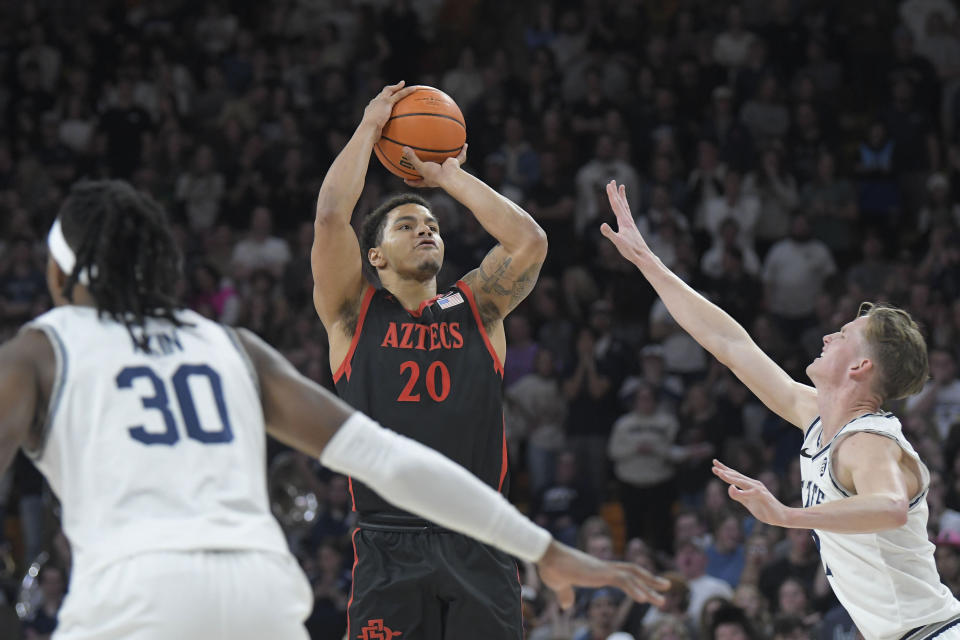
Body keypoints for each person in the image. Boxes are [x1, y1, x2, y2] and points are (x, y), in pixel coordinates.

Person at [0, 179, 671, 639]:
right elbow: (387, 456)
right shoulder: (231, 344)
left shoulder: (38, 349)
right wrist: (542, 547)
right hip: (263, 590)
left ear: (58, 277)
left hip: (131, 592)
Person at [600, 179, 960, 640]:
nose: (829, 336)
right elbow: (730, 343)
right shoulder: (820, 417)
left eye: (844, 334)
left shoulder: (866, 442)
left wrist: (786, 516)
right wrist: (647, 261)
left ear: (861, 365)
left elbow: (891, 507)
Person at [310, 81, 555, 639]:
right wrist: (371, 128)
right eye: (406, 225)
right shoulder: (353, 316)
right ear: (375, 256)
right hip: (388, 541)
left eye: (434, 225)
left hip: (479, 536)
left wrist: (449, 176)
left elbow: (530, 242)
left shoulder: (479, 308)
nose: (426, 228)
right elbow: (330, 217)